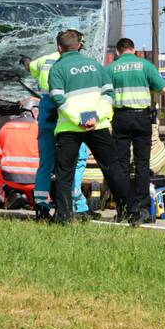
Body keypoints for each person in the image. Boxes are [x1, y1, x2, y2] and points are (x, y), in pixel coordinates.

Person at [48, 29, 135, 224]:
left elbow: (58, 98)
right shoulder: (96, 65)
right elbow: (109, 94)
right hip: (98, 126)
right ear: (79, 45)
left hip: (69, 128)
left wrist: (79, 119)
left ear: (59, 48)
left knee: (64, 174)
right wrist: (95, 117)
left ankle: (63, 217)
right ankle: (132, 211)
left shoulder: (57, 69)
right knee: (113, 169)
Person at [25, 41, 91, 220]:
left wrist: (25, 60)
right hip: (68, 116)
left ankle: (41, 206)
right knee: (75, 162)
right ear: (78, 46)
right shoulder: (81, 64)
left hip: (46, 112)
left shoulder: (45, 61)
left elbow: (29, 66)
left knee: (45, 163)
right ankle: (78, 206)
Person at [107, 38, 165, 222]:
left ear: (118, 51)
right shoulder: (145, 65)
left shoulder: (112, 68)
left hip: (120, 118)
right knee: (142, 164)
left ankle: (124, 208)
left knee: (122, 165)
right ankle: (143, 209)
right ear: (133, 50)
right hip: (142, 118)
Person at [0, 98, 40, 208]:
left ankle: (3, 199)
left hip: (10, 180)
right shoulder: (39, 128)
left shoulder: (6, 126)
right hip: (36, 182)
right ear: (34, 111)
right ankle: (36, 202)